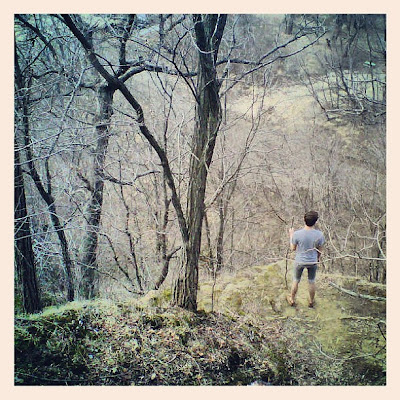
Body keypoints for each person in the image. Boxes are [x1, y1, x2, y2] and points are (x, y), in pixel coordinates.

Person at [287, 211, 325, 308]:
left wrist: (291, 235)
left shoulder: (297, 234)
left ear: (304, 220)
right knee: (311, 281)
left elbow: (292, 248)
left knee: (296, 280)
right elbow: (320, 250)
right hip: (312, 261)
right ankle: (311, 301)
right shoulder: (320, 235)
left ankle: (292, 299)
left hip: (300, 261)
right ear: (315, 221)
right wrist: (317, 258)